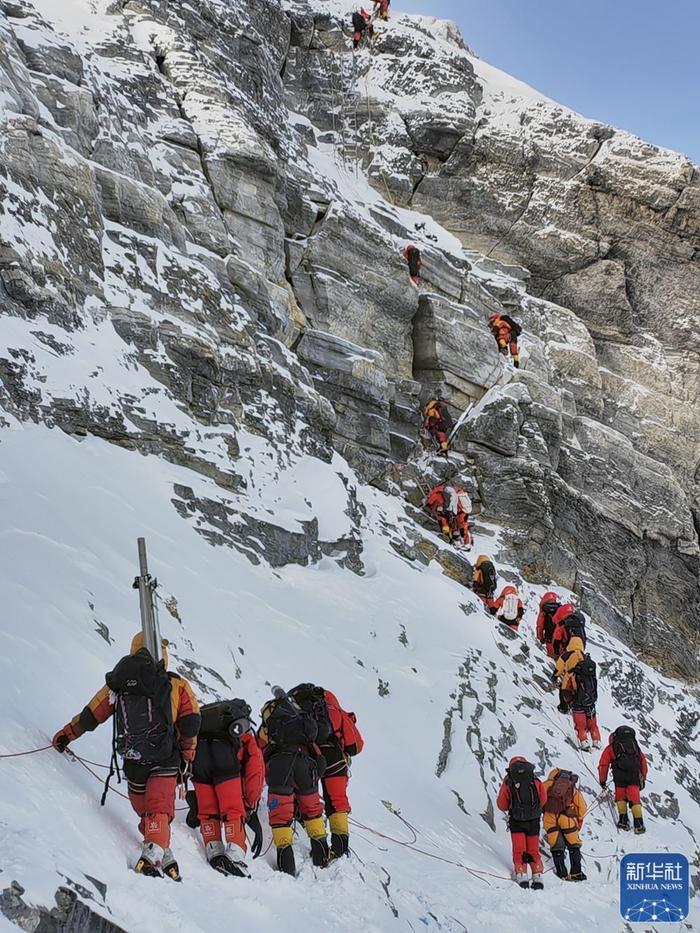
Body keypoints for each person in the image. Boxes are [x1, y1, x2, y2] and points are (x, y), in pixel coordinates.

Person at [52, 633, 201, 879]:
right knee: (158, 808)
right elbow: (191, 723)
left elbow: (92, 713)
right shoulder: (176, 684)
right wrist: (187, 755)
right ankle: (155, 851)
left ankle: (159, 846)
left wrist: (67, 734)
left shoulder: (121, 682)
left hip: (133, 758)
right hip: (166, 758)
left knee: (147, 809)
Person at [188, 698, 265, 876]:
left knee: (208, 810)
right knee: (232, 809)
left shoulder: (207, 724)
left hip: (200, 757)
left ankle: (214, 850)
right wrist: (250, 802)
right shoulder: (241, 730)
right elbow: (255, 766)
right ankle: (235, 855)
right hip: (225, 760)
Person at [287, 684, 364, 858]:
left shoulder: (295, 707)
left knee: (308, 798)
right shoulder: (331, 705)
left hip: (307, 754)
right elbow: (355, 745)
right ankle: (340, 849)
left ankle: (317, 846)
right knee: (337, 800)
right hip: (334, 755)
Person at [258, 688, 328, 875]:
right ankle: (322, 858)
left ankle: (287, 867)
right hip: (306, 763)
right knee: (312, 811)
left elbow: (261, 743)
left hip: (280, 763)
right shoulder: (301, 717)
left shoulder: (272, 717)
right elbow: (316, 749)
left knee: (280, 816)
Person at [496, 756, 547, 889]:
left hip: (517, 820)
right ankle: (537, 876)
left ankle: (521, 875)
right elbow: (543, 798)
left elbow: (502, 804)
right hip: (534, 820)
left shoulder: (509, 780)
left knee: (519, 850)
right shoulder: (534, 779)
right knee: (533, 850)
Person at [598, 726, 648, 834]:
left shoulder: (611, 748)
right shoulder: (635, 747)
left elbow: (603, 764)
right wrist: (643, 777)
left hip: (619, 776)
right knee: (635, 799)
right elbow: (643, 762)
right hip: (633, 776)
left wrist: (603, 780)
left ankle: (623, 821)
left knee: (620, 798)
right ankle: (639, 824)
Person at [554, 638, 601, 749]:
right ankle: (596, 741)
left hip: (578, 702)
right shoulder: (586, 662)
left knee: (580, 725)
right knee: (593, 725)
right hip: (591, 702)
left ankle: (584, 742)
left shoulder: (569, 663)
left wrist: (569, 701)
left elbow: (565, 688)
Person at [542, 768, 587, 881]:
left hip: (550, 817)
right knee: (573, 845)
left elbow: (539, 800)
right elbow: (582, 806)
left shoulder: (546, 785)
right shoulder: (571, 787)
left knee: (557, 846)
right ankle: (576, 873)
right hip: (567, 817)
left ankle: (562, 873)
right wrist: (579, 819)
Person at [424, 481, 471, 548]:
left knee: (445, 523)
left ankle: (448, 536)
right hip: (458, 511)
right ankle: (463, 541)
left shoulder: (439, 493)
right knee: (459, 525)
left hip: (447, 512)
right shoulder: (458, 494)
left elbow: (429, 502)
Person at [536, 591, 561, 657]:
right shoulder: (560, 608)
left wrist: (540, 638)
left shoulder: (544, 611)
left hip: (549, 639)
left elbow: (540, 626)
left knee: (552, 658)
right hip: (561, 641)